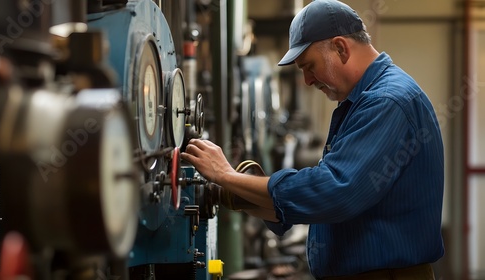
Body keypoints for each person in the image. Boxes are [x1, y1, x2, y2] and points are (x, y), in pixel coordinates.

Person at [181, 0, 445, 279]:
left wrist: (226, 176)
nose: (307, 80)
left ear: (340, 48)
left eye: (309, 66)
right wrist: (245, 195)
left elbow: (336, 191)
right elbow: (328, 199)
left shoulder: (387, 102)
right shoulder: (359, 103)